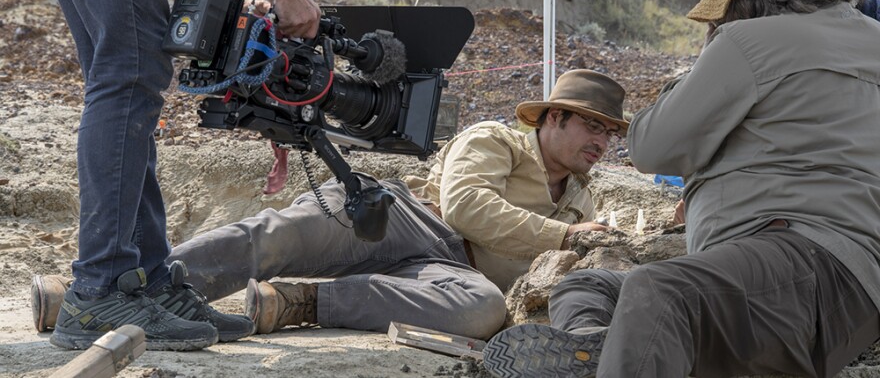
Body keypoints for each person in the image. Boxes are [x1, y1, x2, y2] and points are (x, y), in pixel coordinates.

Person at [1, 0, 382, 351]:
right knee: (131, 68)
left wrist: (237, 8)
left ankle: (146, 281)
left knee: (121, 70)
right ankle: (100, 290)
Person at [483, 0, 880, 378]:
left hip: (796, 263)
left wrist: (702, 65)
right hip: (842, 295)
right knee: (588, 286)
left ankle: (627, 352)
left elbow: (653, 146)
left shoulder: (749, 41)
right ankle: (611, 350)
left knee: (658, 292)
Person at [32, 69, 628, 340]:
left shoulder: (584, 199)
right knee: (275, 239)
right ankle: (106, 294)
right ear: (553, 118)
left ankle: (298, 303)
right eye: (593, 129)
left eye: (610, 135)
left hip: (449, 273)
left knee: (481, 312)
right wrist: (567, 239)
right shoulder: (494, 139)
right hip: (406, 221)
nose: (602, 144)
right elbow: (468, 207)